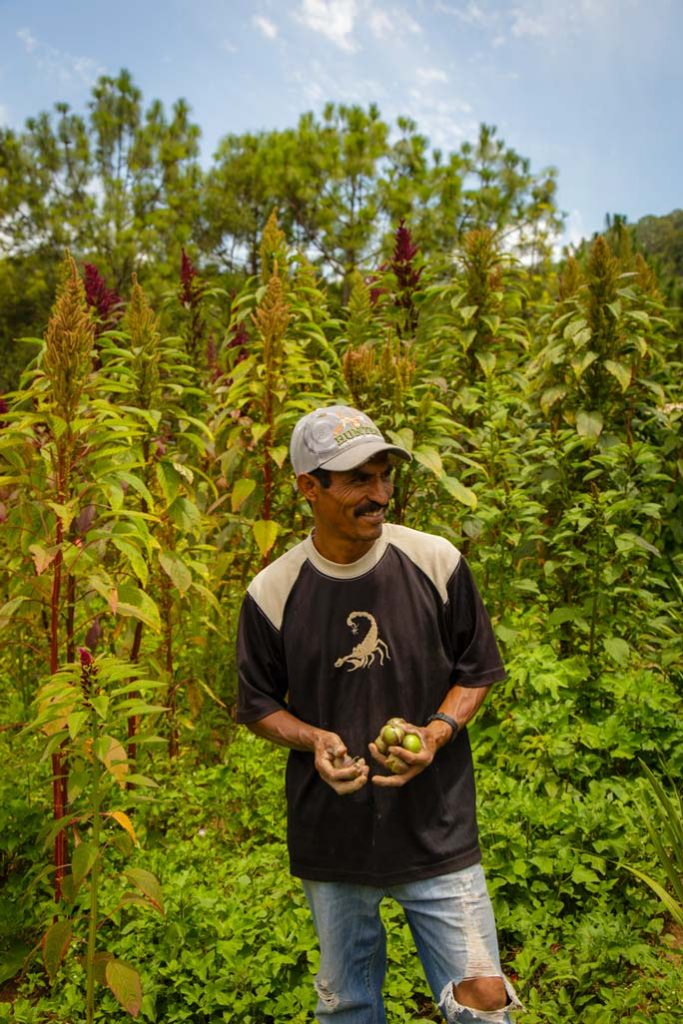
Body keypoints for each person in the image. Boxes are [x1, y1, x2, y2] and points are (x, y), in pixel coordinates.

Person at [236, 404, 522, 1024]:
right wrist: (312, 738)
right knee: (349, 1006)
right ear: (308, 488)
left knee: (483, 997)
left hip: (436, 827)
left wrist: (437, 732)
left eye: (384, 475)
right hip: (333, 836)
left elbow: (476, 670)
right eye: (357, 480)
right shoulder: (272, 592)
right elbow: (257, 703)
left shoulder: (436, 562)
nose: (379, 494)